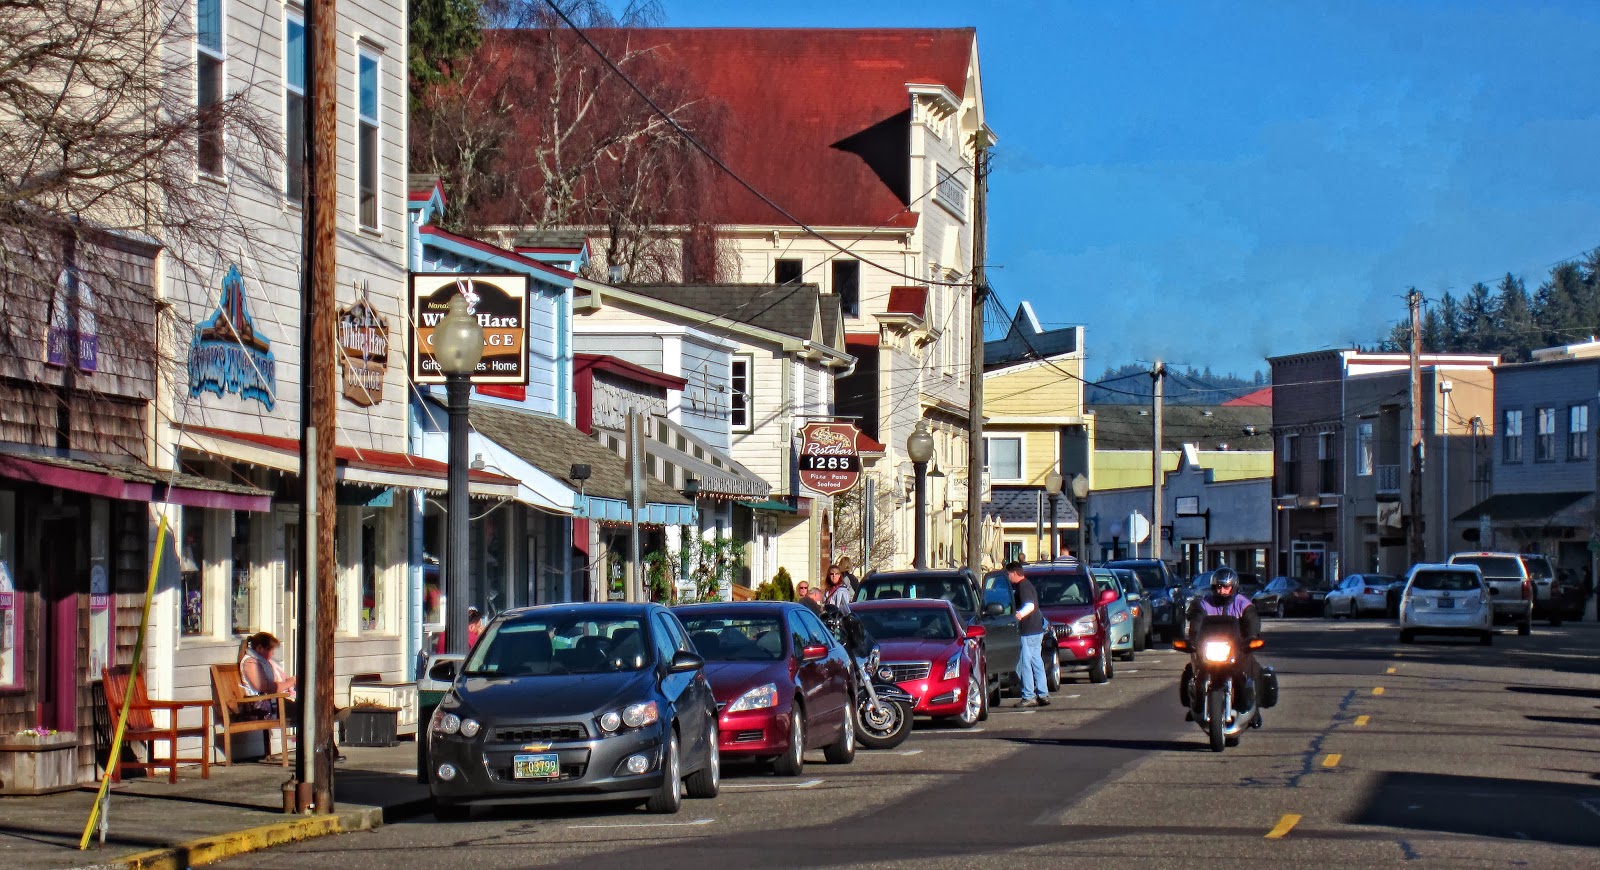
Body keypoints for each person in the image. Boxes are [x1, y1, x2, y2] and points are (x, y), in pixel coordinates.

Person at [1180, 566, 1265, 724]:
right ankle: (1195, 705)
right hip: (1210, 648)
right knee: (1191, 670)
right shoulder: (1205, 603)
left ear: (1233, 587)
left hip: (1237, 647)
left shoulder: (1243, 604)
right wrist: (1193, 638)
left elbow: (1252, 619)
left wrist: (1252, 636)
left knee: (1254, 669)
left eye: (1226, 587)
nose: (1223, 591)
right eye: (1219, 587)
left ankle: (1255, 708)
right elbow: (1197, 620)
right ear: (1213, 587)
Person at [1006, 561, 1050, 707]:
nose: (1008, 577)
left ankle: (1029, 695)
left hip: (1027, 630)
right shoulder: (1027, 585)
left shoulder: (1022, 586)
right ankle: (1043, 694)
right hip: (1036, 629)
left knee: (1024, 663)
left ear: (1014, 573)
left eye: (1008, 574)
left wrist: (1019, 615)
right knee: (1036, 661)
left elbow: (1030, 605)